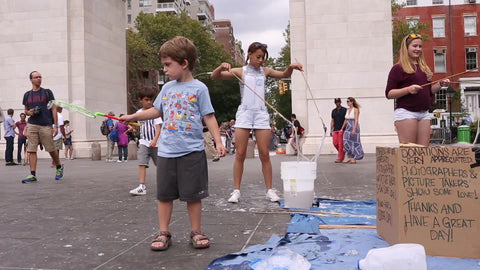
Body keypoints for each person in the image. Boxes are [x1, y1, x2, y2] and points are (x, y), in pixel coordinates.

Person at [119, 36, 226, 251]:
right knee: (164, 195)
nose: (165, 70)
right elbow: (156, 111)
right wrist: (132, 116)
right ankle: (163, 231)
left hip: (192, 152)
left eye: (168, 65)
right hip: (167, 151)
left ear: (184, 63)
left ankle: (196, 230)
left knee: (193, 196)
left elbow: (209, 117)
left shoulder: (200, 89)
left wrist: (218, 141)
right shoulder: (167, 88)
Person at [211, 41, 303, 203]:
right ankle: (236, 190)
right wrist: (221, 67)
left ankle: (269, 190)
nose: (261, 60)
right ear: (250, 55)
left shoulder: (265, 71)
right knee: (240, 153)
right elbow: (215, 76)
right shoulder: (241, 71)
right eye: (258, 57)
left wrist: (291, 66)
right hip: (245, 113)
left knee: (264, 154)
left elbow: (284, 75)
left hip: (261, 114)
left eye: (263, 57)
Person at [385, 34, 450, 146]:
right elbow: (389, 93)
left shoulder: (424, 68)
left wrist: (439, 84)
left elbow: (428, 92)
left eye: (420, 46)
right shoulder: (398, 68)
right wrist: (408, 90)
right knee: (410, 153)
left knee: (423, 154)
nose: (418, 49)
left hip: (424, 113)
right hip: (406, 112)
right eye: (414, 46)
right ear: (406, 48)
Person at [21, 71, 64, 183]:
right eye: (36, 77)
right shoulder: (27, 95)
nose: (39, 79)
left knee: (51, 149)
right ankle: (32, 174)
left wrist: (55, 126)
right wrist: (29, 113)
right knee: (31, 149)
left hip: (46, 124)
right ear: (31, 80)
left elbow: (54, 108)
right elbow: (25, 110)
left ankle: (58, 166)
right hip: (32, 124)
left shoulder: (47, 92)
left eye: (40, 77)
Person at [129, 88, 162, 196]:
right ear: (140, 100)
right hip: (144, 142)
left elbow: (158, 128)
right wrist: (129, 124)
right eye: (146, 99)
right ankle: (142, 186)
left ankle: (167, 184)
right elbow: (135, 122)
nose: (149, 102)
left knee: (161, 165)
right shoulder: (138, 113)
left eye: (150, 100)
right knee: (142, 163)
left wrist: (155, 140)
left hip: (156, 143)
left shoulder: (155, 111)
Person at [341, 97, 364, 164]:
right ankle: (349, 157)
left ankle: (354, 158)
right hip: (348, 126)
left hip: (354, 125)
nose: (347, 102)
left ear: (352, 102)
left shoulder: (356, 109)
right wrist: (342, 128)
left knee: (354, 143)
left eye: (348, 101)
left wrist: (354, 129)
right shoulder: (347, 110)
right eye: (347, 101)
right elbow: (345, 120)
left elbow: (356, 119)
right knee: (345, 141)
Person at [331, 98, 347, 163]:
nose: (337, 103)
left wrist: (342, 128)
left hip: (342, 129)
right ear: (335, 103)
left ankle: (340, 158)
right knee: (335, 143)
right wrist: (331, 129)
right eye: (336, 102)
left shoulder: (344, 110)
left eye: (338, 102)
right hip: (335, 129)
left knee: (340, 144)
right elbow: (332, 120)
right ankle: (342, 152)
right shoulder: (333, 111)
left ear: (340, 102)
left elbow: (346, 120)